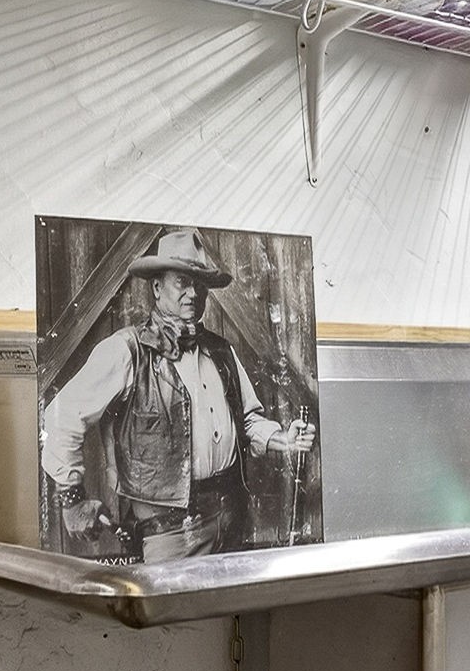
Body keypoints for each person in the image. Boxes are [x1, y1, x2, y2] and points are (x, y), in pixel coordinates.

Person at [41, 228, 316, 561]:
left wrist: (282, 439)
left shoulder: (221, 350)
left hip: (231, 519)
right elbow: (62, 416)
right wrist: (71, 500)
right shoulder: (127, 350)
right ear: (157, 288)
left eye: (199, 285)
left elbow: (247, 419)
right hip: (167, 532)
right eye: (182, 283)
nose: (193, 294)